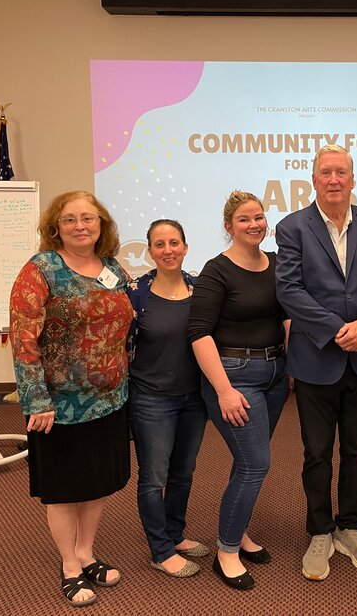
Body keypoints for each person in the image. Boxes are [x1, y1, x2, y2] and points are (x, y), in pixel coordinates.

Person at [275, 144, 357, 581]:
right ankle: (320, 530)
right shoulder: (292, 227)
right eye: (325, 172)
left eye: (341, 172)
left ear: (352, 179)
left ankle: (352, 525)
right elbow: (289, 290)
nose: (333, 179)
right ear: (313, 179)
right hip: (316, 360)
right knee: (317, 453)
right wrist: (334, 328)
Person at [9, 191, 132, 608]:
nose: (80, 226)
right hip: (58, 405)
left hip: (110, 400)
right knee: (64, 489)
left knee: (95, 483)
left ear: (102, 225)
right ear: (55, 227)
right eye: (70, 219)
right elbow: (23, 341)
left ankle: (87, 552)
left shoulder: (112, 268)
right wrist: (36, 400)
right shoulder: (40, 270)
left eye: (89, 218)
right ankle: (69, 565)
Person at [189, 191, 290, 591]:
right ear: (229, 226)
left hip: (275, 375)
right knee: (255, 464)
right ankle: (227, 551)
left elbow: (285, 315)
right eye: (244, 219)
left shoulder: (277, 264)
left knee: (247, 461)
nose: (254, 224)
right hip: (235, 377)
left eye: (259, 217)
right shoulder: (217, 270)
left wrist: (293, 364)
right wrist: (225, 389)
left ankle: (239, 531)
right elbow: (198, 334)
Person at [126, 219, 208, 578]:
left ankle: (175, 535)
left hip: (194, 398)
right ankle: (160, 550)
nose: (168, 250)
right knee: (154, 477)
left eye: (174, 242)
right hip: (151, 400)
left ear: (186, 247)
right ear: (149, 251)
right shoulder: (136, 293)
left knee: (183, 473)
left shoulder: (200, 288)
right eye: (159, 244)